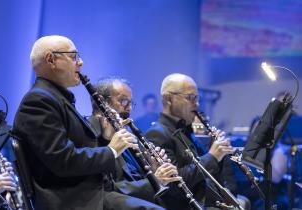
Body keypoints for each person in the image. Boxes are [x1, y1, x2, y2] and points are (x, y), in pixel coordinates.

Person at [12, 35, 138, 210]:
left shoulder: (56, 99)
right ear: (51, 59)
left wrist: (105, 139)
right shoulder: (38, 101)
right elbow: (63, 160)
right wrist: (111, 150)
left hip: (90, 194)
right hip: (73, 201)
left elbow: (78, 152)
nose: (81, 63)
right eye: (73, 57)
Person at [145, 73, 243, 209]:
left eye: (197, 98)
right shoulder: (156, 134)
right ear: (168, 99)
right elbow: (175, 181)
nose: (196, 104)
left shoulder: (185, 131)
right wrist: (212, 156)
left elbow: (208, 174)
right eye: (190, 97)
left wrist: (219, 156)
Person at [89, 77, 182, 210]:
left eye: (131, 102)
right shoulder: (90, 134)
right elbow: (106, 189)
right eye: (123, 101)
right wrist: (154, 181)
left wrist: (153, 169)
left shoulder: (127, 136)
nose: (129, 108)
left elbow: (135, 179)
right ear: (102, 101)